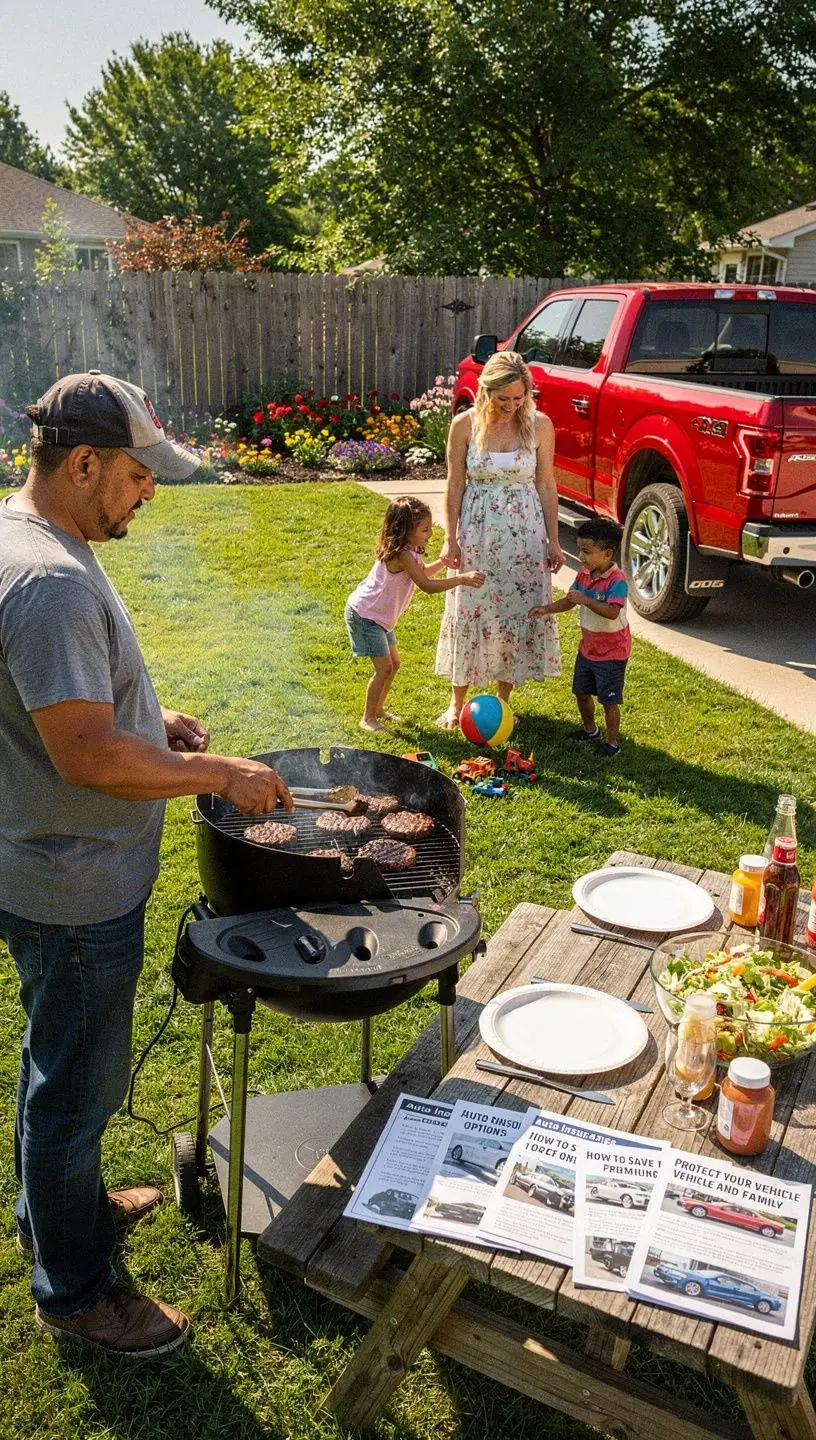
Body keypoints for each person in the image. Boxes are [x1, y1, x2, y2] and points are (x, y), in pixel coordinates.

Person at [0, 370, 293, 1358]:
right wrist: (213, 769)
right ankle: (76, 1291)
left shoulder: (33, 539)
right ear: (81, 463)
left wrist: (145, 719)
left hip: (44, 868)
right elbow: (82, 754)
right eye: (136, 474)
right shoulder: (49, 582)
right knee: (75, 1092)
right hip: (73, 887)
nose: (147, 493)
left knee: (58, 1067)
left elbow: (55, 711)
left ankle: (56, 1217)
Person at [434, 350, 564, 728]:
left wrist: (554, 542)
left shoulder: (540, 426)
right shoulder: (464, 424)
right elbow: (455, 482)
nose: (511, 406)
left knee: (516, 608)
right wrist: (450, 538)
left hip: (525, 534)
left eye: (518, 399)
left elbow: (546, 484)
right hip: (477, 529)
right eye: (502, 398)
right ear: (485, 391)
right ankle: (456, 703)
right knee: (469, 607)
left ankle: (502, 701)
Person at [345, 495, 485, 732]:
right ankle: (368, 719)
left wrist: (443, 564)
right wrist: (462, 579)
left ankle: (378, 711)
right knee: (384, 668)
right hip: (366, 616)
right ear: (406, 530)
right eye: (425, 529)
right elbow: (427, 586)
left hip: (379, 618)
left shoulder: (411, 551)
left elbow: (422, 573)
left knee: (394, 663)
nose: (430, 534)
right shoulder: (402, 554)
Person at [529, 517, 631, 756]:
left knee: (609, 700)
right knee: (582, 693)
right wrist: (546, 609)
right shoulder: (585, 574)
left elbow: (612, 611)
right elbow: (570, 600)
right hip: (588, 649)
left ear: (607, 554)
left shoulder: (617, 582)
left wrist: (587, 600)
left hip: (612, 653)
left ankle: (611, 743)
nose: (581, 557)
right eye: (580, 550)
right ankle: (590, 729)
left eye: (587, 551)